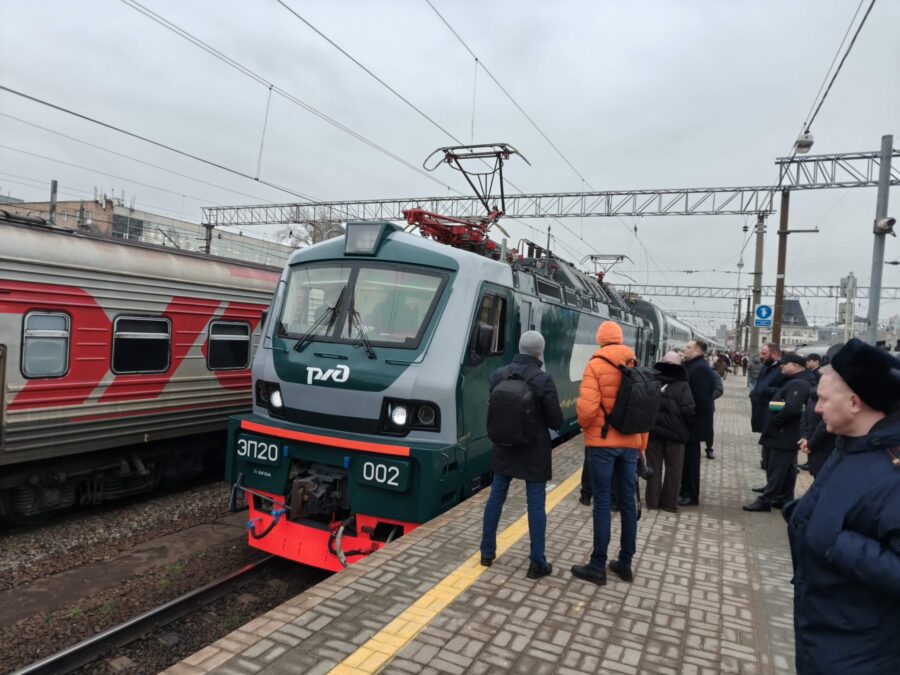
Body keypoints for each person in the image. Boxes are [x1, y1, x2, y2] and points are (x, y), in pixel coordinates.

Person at [785, 338, 900, 674]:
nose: (817, 409)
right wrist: (800, 514)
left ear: (854, 403)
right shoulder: (851, 447)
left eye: (822, 399)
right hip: (825, 633)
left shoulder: (893, 471)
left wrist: (837, 543)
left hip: (861, 654)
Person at [480, 331, 563, 579]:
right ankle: (537, 563)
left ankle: (486, 552)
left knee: (496, 498)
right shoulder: (543, 380)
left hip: (504, 447)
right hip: (533, 451)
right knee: (535, 504)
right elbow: (556, 420)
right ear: (540, 352)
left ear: (519, 348)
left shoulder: (499, 374)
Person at [571, 321, 648, 586]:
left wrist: (585, 427)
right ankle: (625, 563)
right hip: (630, 444)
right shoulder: (633, 363)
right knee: (628, 502)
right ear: (620, 339)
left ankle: (597, 565)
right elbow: (644, 410)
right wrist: (641, 446)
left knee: (602, 502)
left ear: (600, 339)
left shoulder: (595, 364)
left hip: (602, 445)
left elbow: (587, 409)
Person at [743, 352, 816, 511]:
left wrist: (775, 423)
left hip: (783, 433)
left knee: (777, 467)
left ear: (796, 366)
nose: (781, 365)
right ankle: (784, 498)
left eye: (785, 363)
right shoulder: (797, 381)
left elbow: (792, 408)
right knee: (788, 468)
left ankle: (766, 500)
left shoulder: (799, 384)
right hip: (786, 433)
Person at [645, 351, 695, 512]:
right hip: (676, 435)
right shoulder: (683, 385)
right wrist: (687, 428)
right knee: (674, 469)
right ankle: (669, 504)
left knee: (653, 466)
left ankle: (652, 502)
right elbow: (689, 410)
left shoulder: (653, 380)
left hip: (653, 433)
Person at [679, 339, 718, 506]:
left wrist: (687, 415)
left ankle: (691, 494)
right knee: (687, 460)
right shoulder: (695, 366)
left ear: (697, 351)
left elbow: (700, 399)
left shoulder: (700, 369)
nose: (685, 350)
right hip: (691, 423)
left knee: (691, 462)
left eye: (688, 347)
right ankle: (685, 490)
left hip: (693, 424)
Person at [749, 343, 784, 473]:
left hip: (773, 415)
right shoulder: (766, 367)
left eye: (764, 354)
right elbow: (760, 385)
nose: (761, 357)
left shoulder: (782, 369)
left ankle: (771, 486)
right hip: (763, 413)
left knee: (771, 450)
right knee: (766, 447)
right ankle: (768, 483)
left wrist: (765, 390)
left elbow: (785, 391)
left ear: (774, 354)